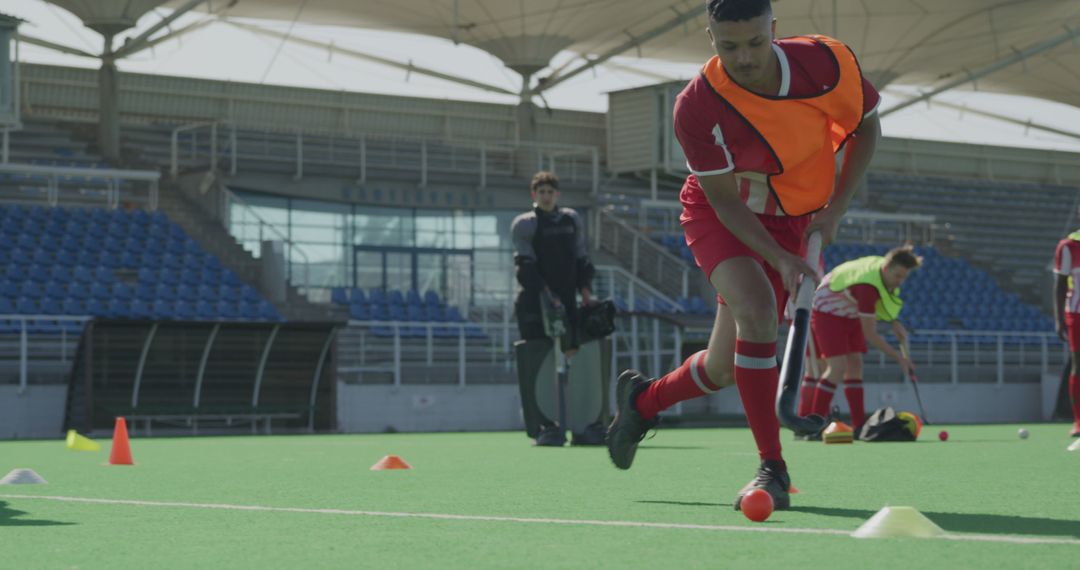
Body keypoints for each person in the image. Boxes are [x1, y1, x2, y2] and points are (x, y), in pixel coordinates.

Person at [605, 0, 881, 511]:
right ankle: (772, 465)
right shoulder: (697, 106)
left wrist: (835, 210)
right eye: (729, 46)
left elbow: (867, 128)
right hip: (723, 214)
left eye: (756, 42)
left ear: (773, 29)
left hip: (795, 215)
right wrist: (778, 256)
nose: (745, 58)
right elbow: (726, 202)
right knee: (756, 311)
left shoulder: (828, 64)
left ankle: (643, 402)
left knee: (722, 366)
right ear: (710, 39)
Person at [511, 171, 606, 447]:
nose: (546, 196)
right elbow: (525, 267)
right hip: (534, 303)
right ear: (534, 195)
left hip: (569, 301)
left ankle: (585, 425)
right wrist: (547, 296)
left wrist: (585, 294)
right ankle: (545, 427)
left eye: (550, 192)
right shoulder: (524, 225)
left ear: (557, 195)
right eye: (541, 192)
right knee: (537, 360)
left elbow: (581, 259)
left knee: (581, 357)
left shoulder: (570, 220)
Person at [804, 246, 921, 433]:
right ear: (886, 268)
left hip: (849, 312)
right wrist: (900, 358)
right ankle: (814, 424)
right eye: (898, 276)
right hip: (827, 311)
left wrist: (894, 322)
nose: (900, 282)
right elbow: (870, 334)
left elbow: (884, 301)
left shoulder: (882, 272)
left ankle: (858, 426)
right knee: (837, 367)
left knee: (856, 364)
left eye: (904, 277)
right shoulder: (867, 287)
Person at [1053, 229, 1080, 437]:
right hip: (1076, 313)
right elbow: (1061, 284)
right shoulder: (1068, 246)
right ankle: (1078, 421)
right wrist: (1059, 319)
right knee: (1078, 365)